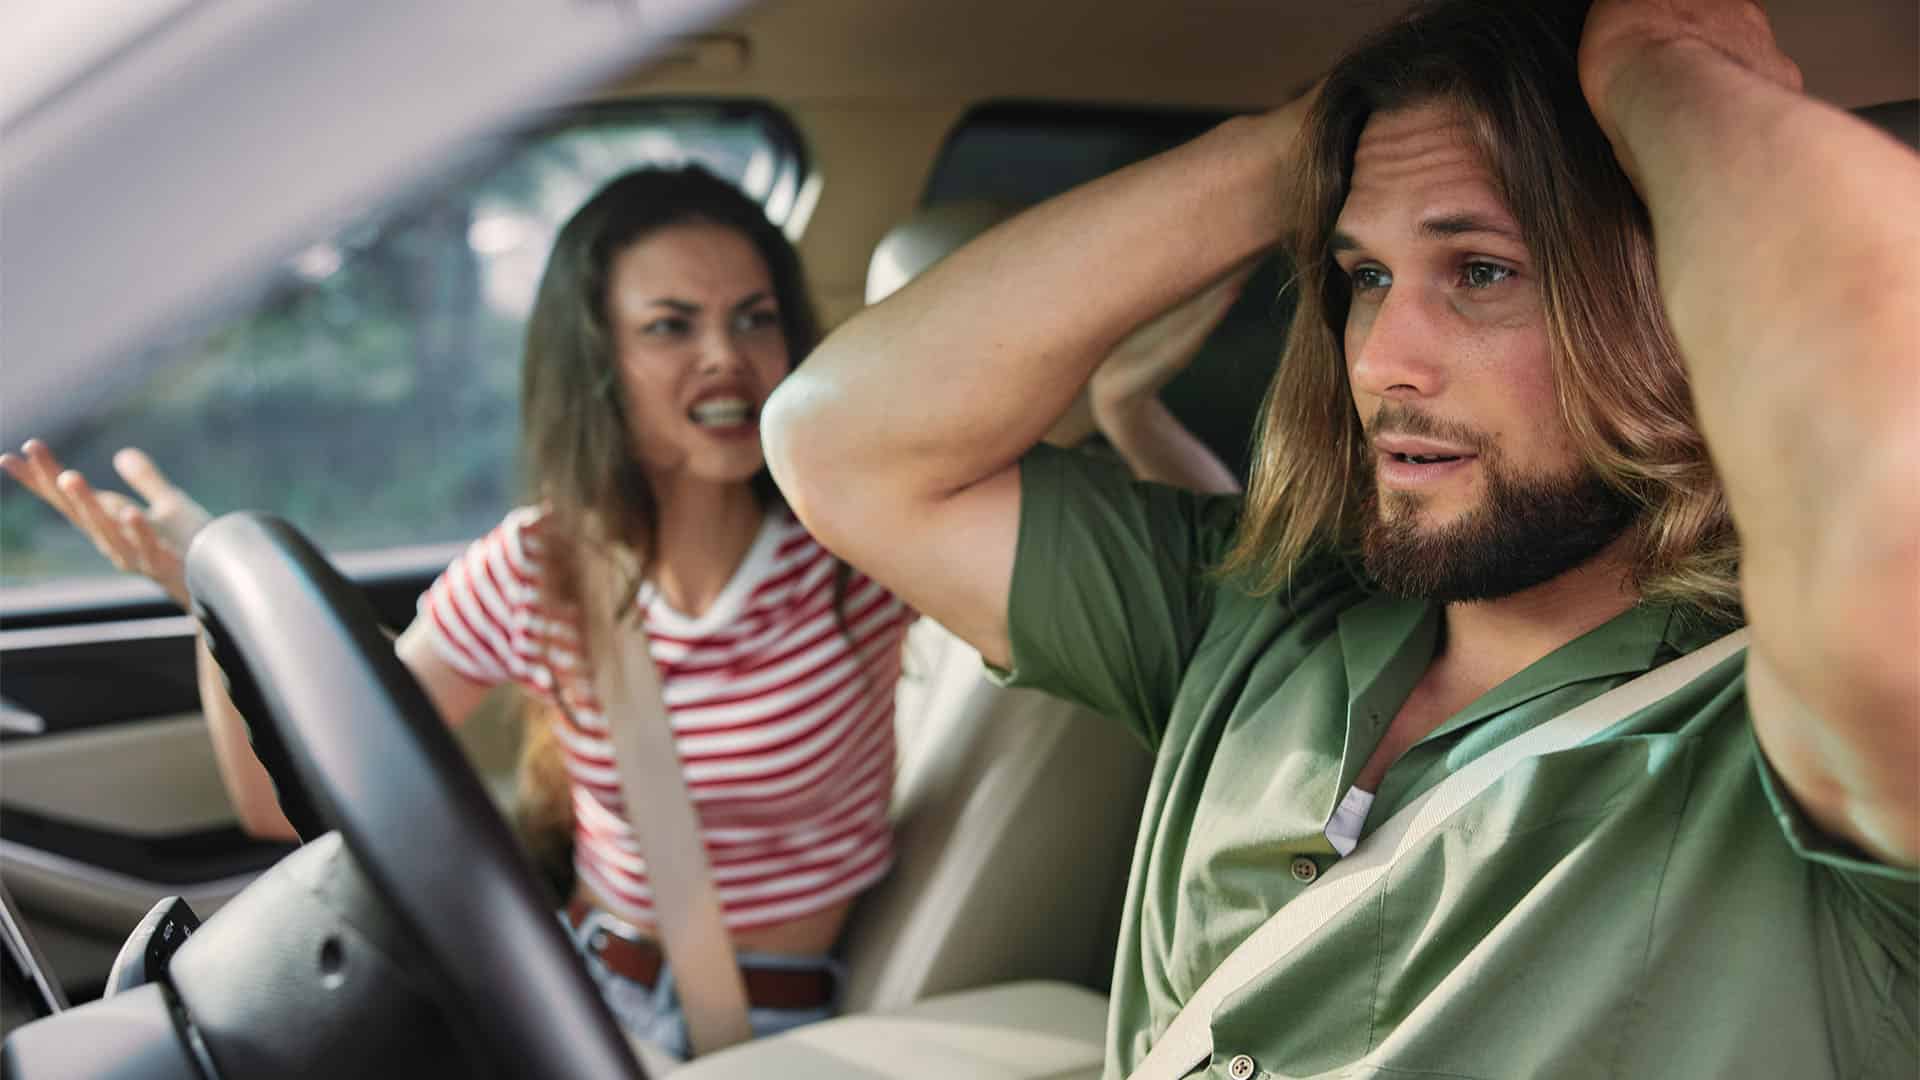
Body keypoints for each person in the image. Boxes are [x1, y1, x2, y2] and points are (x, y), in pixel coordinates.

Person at [760, 0, 1920, 1076]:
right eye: (1365, 274)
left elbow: (1890, 495)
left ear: (1670, 308)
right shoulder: (1255, 610)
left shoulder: (1784, 740)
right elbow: (842, 446)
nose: (1379, 360)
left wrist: (1667, 74)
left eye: (1480, 270)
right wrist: (1304, 148)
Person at [3, 166, 915, 1060]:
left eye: (754, 318)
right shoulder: (536, 567)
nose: (725, 355)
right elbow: (288, 803)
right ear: (598, 360)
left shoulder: (855, 547)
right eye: (671, 326)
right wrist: (204, 592)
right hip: (575, 991)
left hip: (769, 1032)